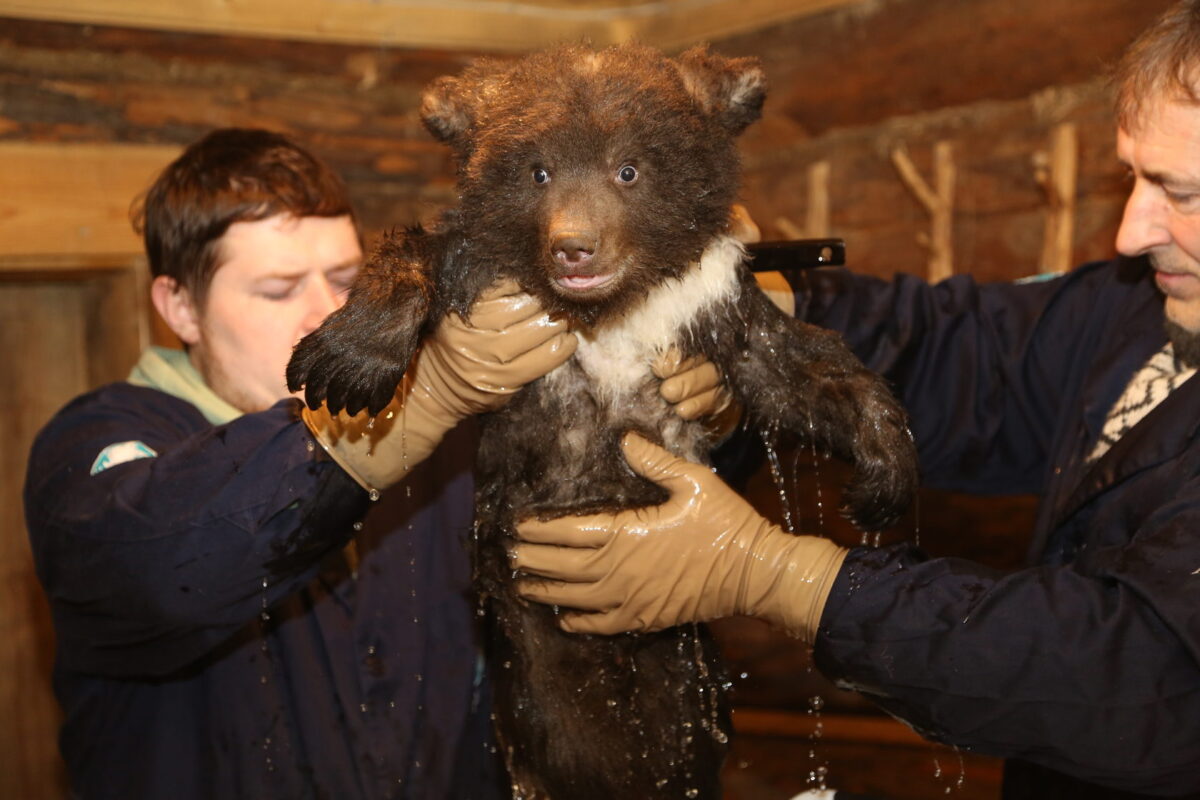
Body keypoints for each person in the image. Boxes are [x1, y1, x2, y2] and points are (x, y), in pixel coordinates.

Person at [509, 3, 1200, 798]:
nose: (1131, 230)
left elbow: (1142, 673)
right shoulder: (1132, 310)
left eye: (1177, 192)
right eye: (1133, 177)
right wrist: (753, 303)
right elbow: (957, 351)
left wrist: (781, 578)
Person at [23, 127, 729, 799]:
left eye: (343, 278)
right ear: (178, 306)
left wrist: (694, 403)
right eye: (277, 290)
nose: (326, 314)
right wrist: (417, 403)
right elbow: (158, 569)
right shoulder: (103, 440)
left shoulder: (438, 446)